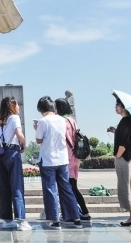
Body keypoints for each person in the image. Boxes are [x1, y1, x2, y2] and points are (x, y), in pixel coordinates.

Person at [34, 96, 83, 230]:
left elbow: (39, 140)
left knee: (50, 189)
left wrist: (36, 128)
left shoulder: (42, 121)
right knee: (66, 188)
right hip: (62, 159)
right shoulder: (62, 120)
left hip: (48, 159)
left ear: (41, 109)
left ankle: (55, 220)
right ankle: (76, 218)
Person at [0, 96, 31, 231]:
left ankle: (7, 220)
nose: (18, 107)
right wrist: (24, 144)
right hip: (12, 152)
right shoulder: (14, 118)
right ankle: (21, 220)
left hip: (1, 154)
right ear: (12, 106)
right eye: (17, 105)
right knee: (17, 186)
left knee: (5, 187)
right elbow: (19, 134)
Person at [107, 97, 131, 227]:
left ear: (124, 108)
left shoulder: (124, 122)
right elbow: (130, 137)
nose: (115, 107)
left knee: (127, 186)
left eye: (117, 105)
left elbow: (123, 143)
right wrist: (116, 131)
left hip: (126, 158)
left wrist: (117, 156)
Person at [54, 98, 91, 224]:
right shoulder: (72, 120)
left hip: (67, 158)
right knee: (73, 187)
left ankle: (74, 215)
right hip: (75, 157)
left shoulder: (62, 121)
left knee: (69, 189)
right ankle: (84, 212)